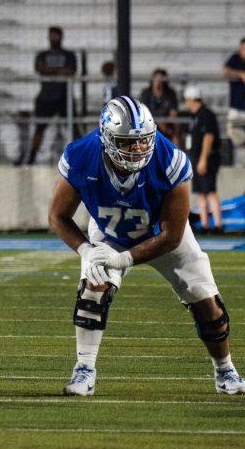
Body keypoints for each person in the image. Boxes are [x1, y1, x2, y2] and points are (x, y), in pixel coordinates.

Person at [49, 96, 243, 397]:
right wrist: (87, 251)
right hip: (109, 233)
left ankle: (225, 370)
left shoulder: (169, 160)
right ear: (107, 139)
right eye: (128, 142)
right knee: (92, 291)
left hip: (161, 235)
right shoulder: (81, 155)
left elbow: (172, 236)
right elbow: (57, 216)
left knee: (208, 305)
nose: (138, 148)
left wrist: (124, 259)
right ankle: (84, 370)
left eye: (142, 141)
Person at [22, 26, 78, 165]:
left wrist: (50, 71)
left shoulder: (68, 55)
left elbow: (71, 71)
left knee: (74, 129)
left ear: (61, 37)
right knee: (39, 129)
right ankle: (31, 159)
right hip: (46, 97)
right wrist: (59, 71)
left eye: (56, 36)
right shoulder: (42, 55)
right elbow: (39, 68)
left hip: (64, 97)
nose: (54, 38)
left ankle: (81, 158)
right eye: (52, 36)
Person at [185, 86, 222, 231]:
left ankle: (218, 225)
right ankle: (205, 224)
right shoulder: (195, 116)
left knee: (210, 191)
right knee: (200, 192)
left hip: (205, 157)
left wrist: (203, 159)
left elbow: (208, 137)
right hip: (196, 157)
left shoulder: (205, 114)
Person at [139, 68, 180, 141]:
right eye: (156, 79)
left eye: (161, 79)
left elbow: (173, 113)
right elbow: (143, 113)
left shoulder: (170, 94)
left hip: (166, 126)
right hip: (150, 125)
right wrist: (158, 122)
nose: (158, 82)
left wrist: (174, 132)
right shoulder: (146, 93)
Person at [224, 38, 245, 161]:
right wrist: (240, 74)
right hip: (236, 106)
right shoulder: (235, 59)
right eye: (243, 48)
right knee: (232, 131)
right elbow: (225, 72)